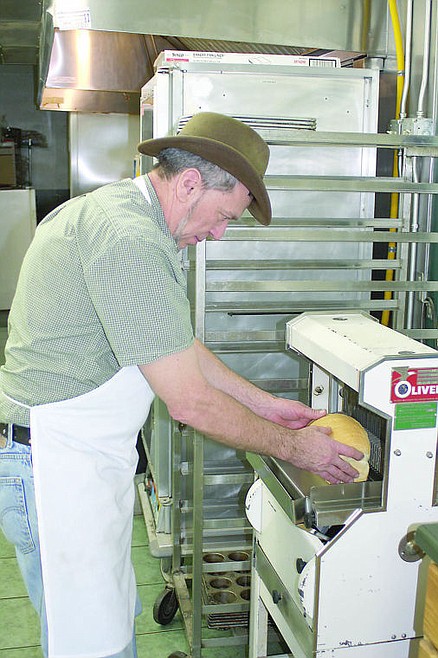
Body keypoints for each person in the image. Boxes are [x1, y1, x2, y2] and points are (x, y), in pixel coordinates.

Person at [0, 112, 362, 658]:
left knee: (105, 624)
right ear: (190, 183)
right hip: (52, 466)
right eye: (224, 216)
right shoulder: (128, 238)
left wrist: (267, 406)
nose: (218, 233)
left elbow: (176, 345)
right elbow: (190, 403)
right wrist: (295, 448)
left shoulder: (136, 222)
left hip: (80, 462)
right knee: (89, 643)